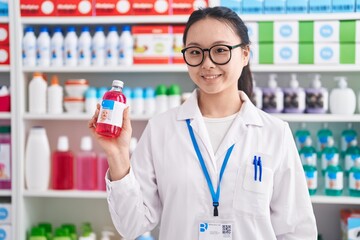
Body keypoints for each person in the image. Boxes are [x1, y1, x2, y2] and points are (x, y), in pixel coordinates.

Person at [89, 6, 317, 240]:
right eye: (196, 52)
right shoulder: (161, 129)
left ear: (245, 54)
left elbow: (297, 231)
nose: (207, 63)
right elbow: (132, 226)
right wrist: (117, 155)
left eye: (220, 50)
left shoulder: (274, 133)